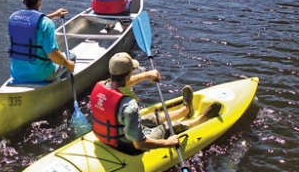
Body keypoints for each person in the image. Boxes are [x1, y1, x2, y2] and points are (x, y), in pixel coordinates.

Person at [89, 52, 220, 155]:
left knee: (151, 118)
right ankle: (200, 121)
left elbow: (123, 82)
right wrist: (168, 143)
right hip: (128, 146)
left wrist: (147, 75)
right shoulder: (129, 106)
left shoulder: (100, 85)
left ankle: (185, 110)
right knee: (167, 127)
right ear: (129, 74)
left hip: (107, 137)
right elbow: (139, 144)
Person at [8, 0, 75, 84]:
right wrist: (68, 64)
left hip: (17, 74)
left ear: (23, 1)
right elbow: (52, 54)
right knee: (71, 56)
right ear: (40, 0)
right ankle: (62, 84)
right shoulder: (46, 24)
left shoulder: (13, 18)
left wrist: (55, 15)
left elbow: (32, 23)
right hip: (42, 75)